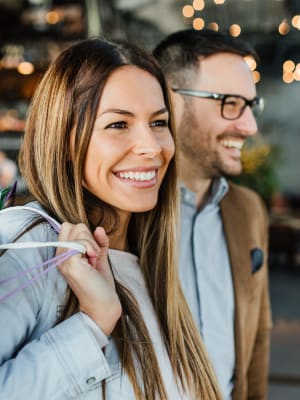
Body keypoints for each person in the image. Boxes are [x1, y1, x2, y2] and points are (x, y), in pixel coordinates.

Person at [0, 38, 222, 400]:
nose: (151, 146)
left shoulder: (154, 260)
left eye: (159, 122)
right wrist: (91, 325)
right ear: (65, 140)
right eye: (118, 125)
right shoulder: (30, 245)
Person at [153, 29, 272, 400]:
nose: (249, 126)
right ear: (171, 101)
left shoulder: (248, 209)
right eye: (230, 103)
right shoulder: (123, 215)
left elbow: (258, 334)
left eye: (251, 105)